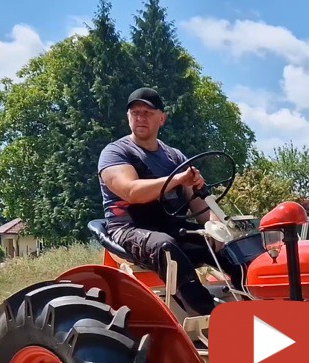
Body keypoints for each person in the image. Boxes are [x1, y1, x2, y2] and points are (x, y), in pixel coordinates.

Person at [97, 87, 237, 316]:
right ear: (128, 117)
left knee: (231, 250)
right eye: (135, 112)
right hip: (129, 228)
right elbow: (132, 191)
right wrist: (177, 180)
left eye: (148, 112)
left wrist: (215, 227)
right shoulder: (115, 153)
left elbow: (199, 207)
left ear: (162, 118)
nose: (140, 117)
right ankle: (208, 317)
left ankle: (253, 298)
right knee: (165, 246)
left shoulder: (175, 157)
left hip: (171, 226)